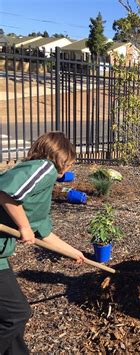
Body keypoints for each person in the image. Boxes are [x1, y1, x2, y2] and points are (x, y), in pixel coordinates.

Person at [0, 132, 85, 354]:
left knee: (10, 316)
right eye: (69, 162)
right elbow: (5, 193)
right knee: (17, 314)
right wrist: (24, 227)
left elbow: (44, 233)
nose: (67, 169)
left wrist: (74, 253)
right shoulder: (44, 168)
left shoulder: (40, 185)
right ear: (61, 157)